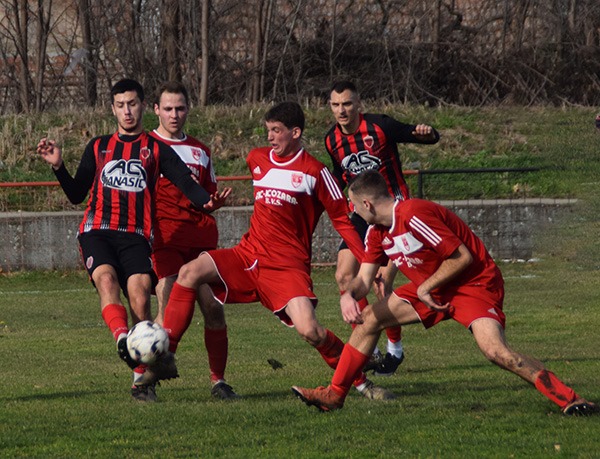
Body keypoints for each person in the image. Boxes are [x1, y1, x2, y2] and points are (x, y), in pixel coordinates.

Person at [140, 102, 395, 401]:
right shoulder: (257, 159)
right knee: (189, 272)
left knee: (311, 330)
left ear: (295, 132)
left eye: (276, 131)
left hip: (287, 267)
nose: (270, 137)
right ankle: (166, 352)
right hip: (248, 255)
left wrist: (370, 261)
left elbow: (343, 221)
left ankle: (362, 383)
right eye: (268, 130)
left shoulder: (315, 172)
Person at [292, 170, 599, 416]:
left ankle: (570, 399)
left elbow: (462, 257)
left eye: (354, 206)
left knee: (496, 353)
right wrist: (348, 295)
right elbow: (362, 280)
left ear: (367, 205)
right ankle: (334, 395)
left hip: (473, 285)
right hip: (430, 287)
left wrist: (425, 286)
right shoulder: (377, 232)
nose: (352, 211)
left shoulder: (413, 214)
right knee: (368, 320)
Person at [36, 78, 219, 402]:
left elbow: (184, 182)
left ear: (143, 106)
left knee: (140, 297)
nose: (127, 111)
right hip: (98, 231)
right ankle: (125, 344)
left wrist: (206, 201)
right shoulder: (99, 146)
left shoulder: (156, 148)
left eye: (132, 104)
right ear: (113, 109)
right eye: (121, 105)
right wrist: (59, 166)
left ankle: (141, 378)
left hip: (136, 236)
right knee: (106, 281)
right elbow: (78, 195)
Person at [325, 80, 440, 376]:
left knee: (380, 283)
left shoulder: (380, 127)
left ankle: (395, 350)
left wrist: (428, 133)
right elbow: (341, 177)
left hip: (393, 212)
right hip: (361, 215)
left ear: (359, 104)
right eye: (336, 105)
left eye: (347, 104)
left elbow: (415, 134)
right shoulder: (331, 140)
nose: (342, 110)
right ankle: (370, 348)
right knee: (343, 274)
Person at [149, 81, 237, 399]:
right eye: (168, 108)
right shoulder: (146, 147)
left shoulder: (201, 150)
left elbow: (206, 194)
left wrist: (214, 202)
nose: (174, 114)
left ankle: (219, 382)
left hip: (200, 239)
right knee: (169, 305)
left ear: (188, 109)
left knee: (213, 308)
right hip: (166, 240)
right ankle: (147, 381)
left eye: (180, 108)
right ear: (156, 110)